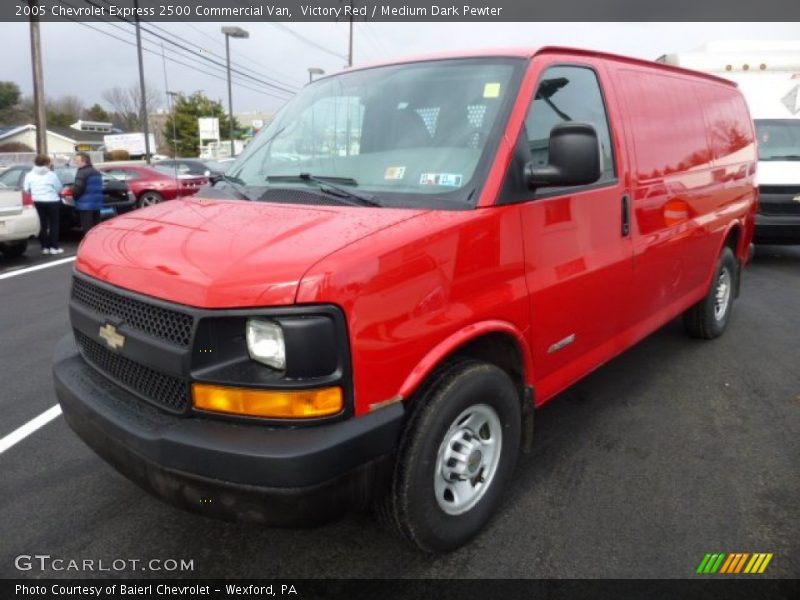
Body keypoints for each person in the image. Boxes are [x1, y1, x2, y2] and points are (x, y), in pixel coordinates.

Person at [24, 154, 64, 254]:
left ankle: (44, 247)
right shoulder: (51, 174)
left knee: (42, 224)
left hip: (37, 201)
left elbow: (26, 189)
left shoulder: (29, 175)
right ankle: (54, 247)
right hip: (52, 201)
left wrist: (35, 193)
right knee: (54, 224)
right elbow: (59, 188)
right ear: (46, 163)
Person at [72, 152, 103, 232]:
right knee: (96, 228)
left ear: (84, 161)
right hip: (96, 204)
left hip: (85, 205)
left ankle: (89, 244)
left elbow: (78, 188)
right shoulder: (96, 172)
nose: (75, 162)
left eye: (77, 160)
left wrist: (74, 197)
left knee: (87, 229)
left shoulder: (82, 172)